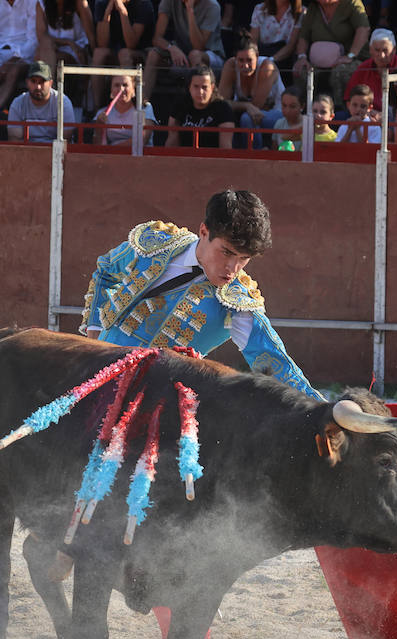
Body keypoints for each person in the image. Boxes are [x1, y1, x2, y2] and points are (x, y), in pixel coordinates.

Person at [79, 188, 323, 399]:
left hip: (153, 404)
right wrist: (92, 338)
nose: (232, 269)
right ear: (204, 232)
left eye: (244, 259)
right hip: (92, 375)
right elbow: (106, 272)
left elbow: (273, 360)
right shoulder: (155, 243)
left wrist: (321, 409)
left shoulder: (236, 303)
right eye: (226, 252)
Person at [0, 0, 49, 120]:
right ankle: (1, 107)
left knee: (14, 71)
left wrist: (11, 61)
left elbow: (33, 40)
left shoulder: (33, 2)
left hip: (23, 53)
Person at [144, 0, 225, 98]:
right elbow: (157, 38)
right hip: (182, 54)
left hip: (210, 56)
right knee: (153, 54)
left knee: (194, 55)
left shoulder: (212, 6)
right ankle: (141, 105)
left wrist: (190, 11)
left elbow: (198, 46)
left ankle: (195, 105)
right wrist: (172, 48)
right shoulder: (169, 2)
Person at [293, 0, 369, 104]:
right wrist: (302, 57)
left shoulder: (352, 3)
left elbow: (363, 29)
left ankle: (340, 112)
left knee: (340, 72)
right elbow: (303, 36)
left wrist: (350, 55)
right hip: (318, 61)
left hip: (350, 58)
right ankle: (306, 111)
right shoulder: (313, 7)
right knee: (301, 70)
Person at [220, 34, 283, 147]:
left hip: (279, 116)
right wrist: (246, 106)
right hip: (250, 113)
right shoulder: (230, 66)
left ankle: (254, 156)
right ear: (235, 59)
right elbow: (221, 104)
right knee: (225, 118)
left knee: (247, 118)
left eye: (249, 60)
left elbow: (256, 108)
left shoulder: (267, 67)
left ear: (257, 57)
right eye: (241, 60)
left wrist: (239, 105)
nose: (245, 65)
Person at [89, 0, 154, 106]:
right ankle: (97, 109)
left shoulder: (143, 4)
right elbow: (102, 43)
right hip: (114, 50)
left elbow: (131, 43)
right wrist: (107, 12)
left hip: (140, 52)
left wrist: (122, 11)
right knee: (98, 53)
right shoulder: (102, 3)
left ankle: (129, 105)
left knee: (124, 54)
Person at [166, 62, 233, 147]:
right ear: (189, 87)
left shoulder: (223, 109)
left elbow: (225, 148)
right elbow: (171, 144)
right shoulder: (180, 105)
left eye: (204, 87)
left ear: (212, 87)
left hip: (212, 158)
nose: (200, 92)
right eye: (196, 86)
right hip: (185, 157)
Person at [7, 58, 76, 140]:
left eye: (42, 82)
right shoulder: (18, 103)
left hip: (54, 151)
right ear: (27, 82)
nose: (38, 87)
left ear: (50, 83)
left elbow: (65, 140)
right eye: (33, 81)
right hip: (27, 151)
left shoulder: (63, 102)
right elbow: (15, 139)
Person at [343, 27, 397, 103]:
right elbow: (349, 100)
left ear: (394, 50)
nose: (381, 55)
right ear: (370, 50)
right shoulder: (363, 69)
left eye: (385, 50)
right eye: (377, 50)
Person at [93, 70, 155, 143]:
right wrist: (99, 128)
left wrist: (113, 150)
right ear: (111, 90)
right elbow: (97, 146)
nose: (121, 89)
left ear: (133, 90)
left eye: (125, 85)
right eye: (117, 85)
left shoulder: (145, 108)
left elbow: (143, 139)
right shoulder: (102, 113)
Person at [249, 0, 300, 65]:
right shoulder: (259, 9)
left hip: (284, 60)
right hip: (261, 55)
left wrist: (271, 60)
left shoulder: (300, 13)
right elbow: (253, 41)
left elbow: (291, 45)